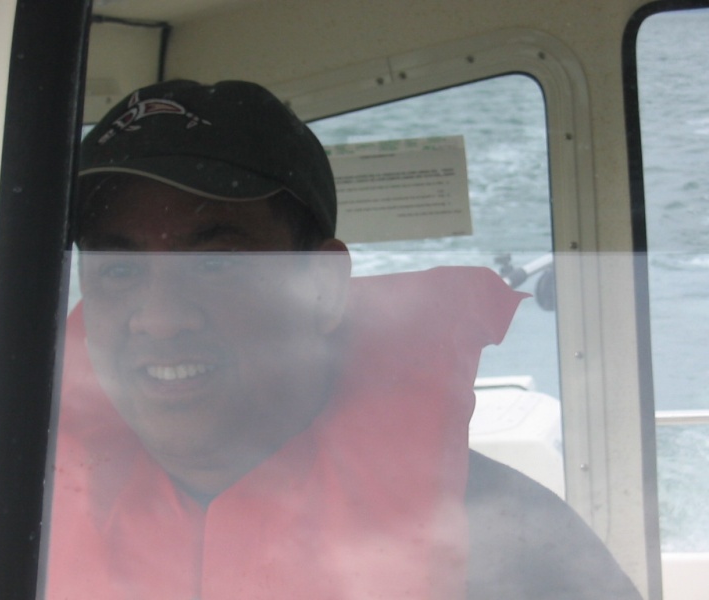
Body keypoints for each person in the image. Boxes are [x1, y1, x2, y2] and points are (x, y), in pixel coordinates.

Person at [46, 80, 642, 599]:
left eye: (217, 261)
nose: (159, 317)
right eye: (117, 270)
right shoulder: (13, 515)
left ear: (322, 287)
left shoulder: (510, 549)